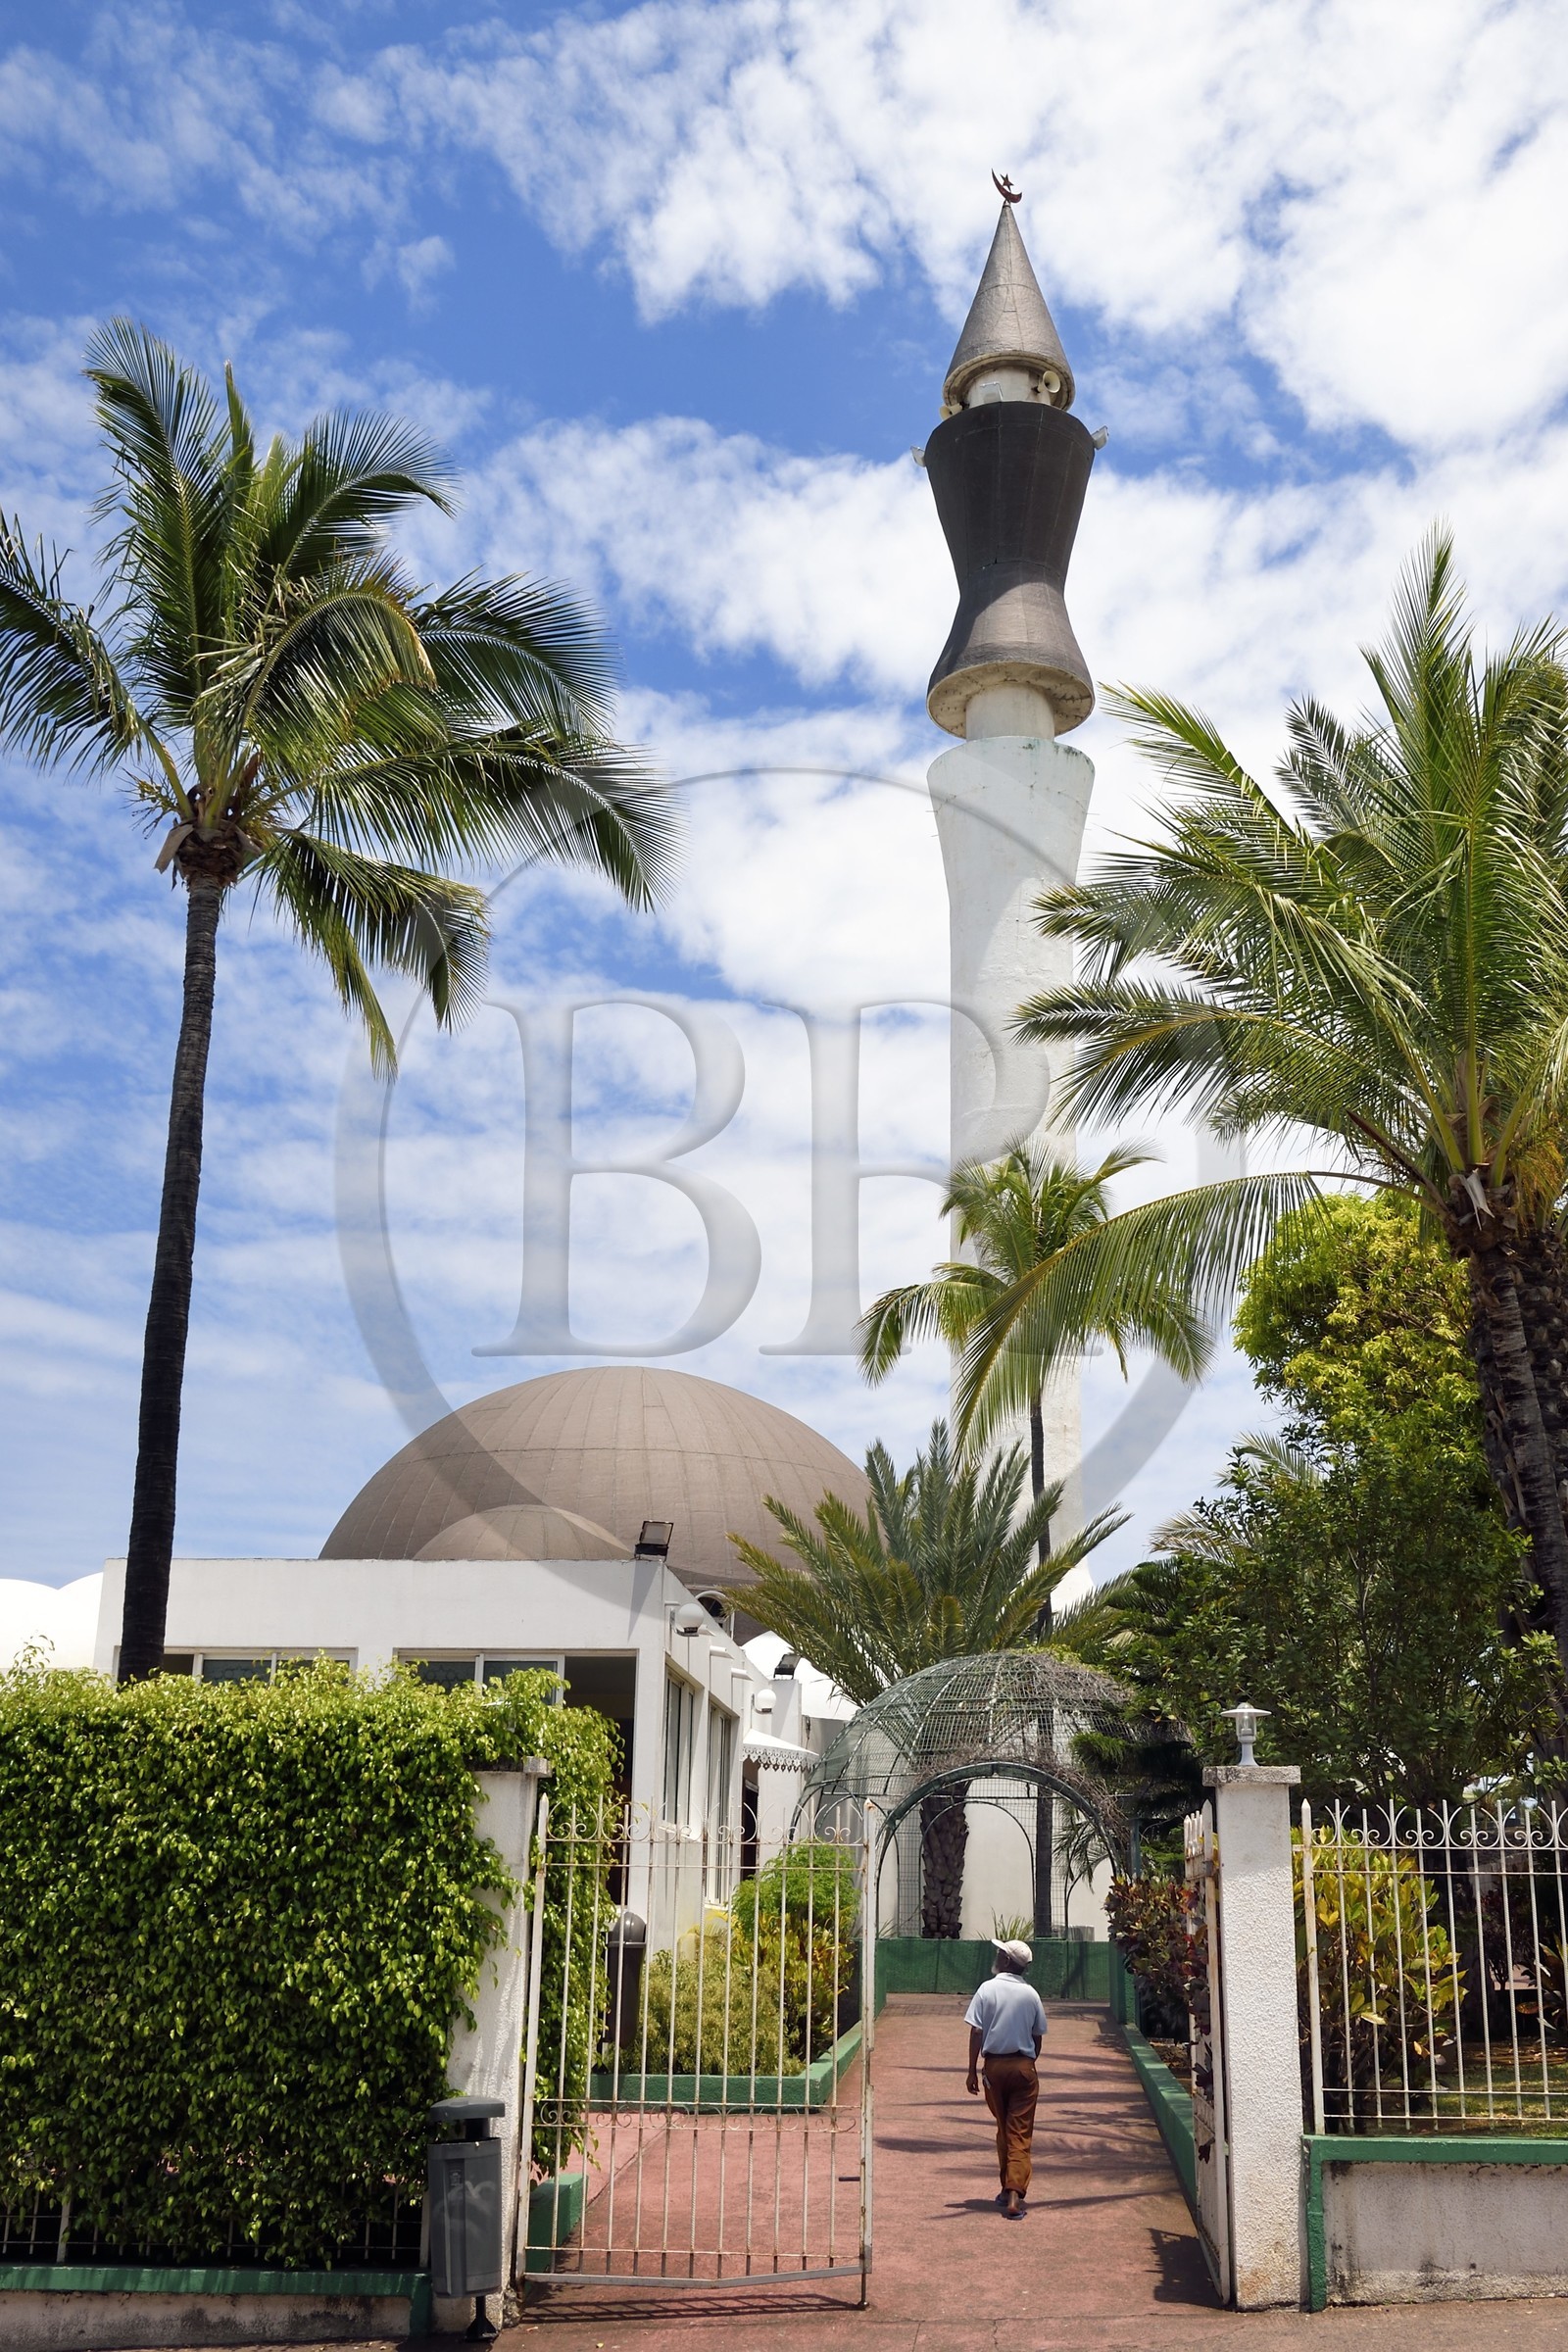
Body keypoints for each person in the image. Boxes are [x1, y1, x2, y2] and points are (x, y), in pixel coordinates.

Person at [964, 1938, 1047, 2220]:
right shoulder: (1032, 1994)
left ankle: (1010, 2193)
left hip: (994, 2069)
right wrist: (1027, 2064)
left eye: (1001, 1953)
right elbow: (1037, 2037)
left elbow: (976, 2032)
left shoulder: (987, 1989)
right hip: (1023, 2067)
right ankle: (1011, 2191)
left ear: (1008, 1962)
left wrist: (971, 2070)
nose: (997, 1956)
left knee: (1004, 2128)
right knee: (1018, 2132)